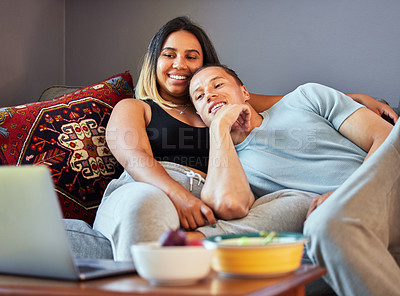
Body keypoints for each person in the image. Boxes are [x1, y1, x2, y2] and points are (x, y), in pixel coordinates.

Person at [93, 16, 398, 262]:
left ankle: (201, 245)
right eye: (169, 55)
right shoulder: (136, 107)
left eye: (191, 56)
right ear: (154, 61)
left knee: (299, 203)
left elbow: (283, 100)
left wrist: (354, 99)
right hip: (151, 187)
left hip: (209, 202)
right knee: (144, 204)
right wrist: (177, 194)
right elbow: (135, 158)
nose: (180, 65)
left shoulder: (215, 107)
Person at [188, 64, 400, 295]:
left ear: (245, 92)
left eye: (218, 85)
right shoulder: (232, 166)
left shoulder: (305, 97)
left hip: (385, 189)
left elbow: (384, 137)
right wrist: (219, 128)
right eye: (199, 96)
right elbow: (228, 203)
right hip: (339, 228)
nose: (209, 94)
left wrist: (345, 193)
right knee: (321, 229)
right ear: (199, 116)